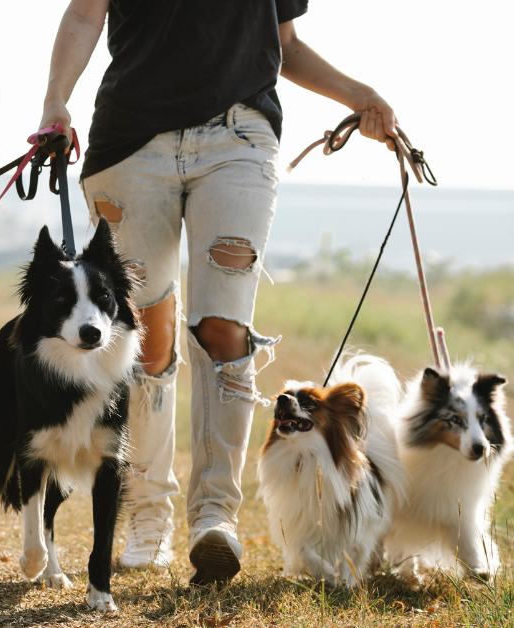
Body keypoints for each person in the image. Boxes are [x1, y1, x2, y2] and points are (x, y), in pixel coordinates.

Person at [38, 0, 397, 584]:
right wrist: (56, 100)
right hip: (131, 140)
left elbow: (286, 43)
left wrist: (362, 95)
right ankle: (147, 513)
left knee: (224, 327)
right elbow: (84, 14)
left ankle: (214, 515)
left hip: (240, 139)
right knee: (144, 333)